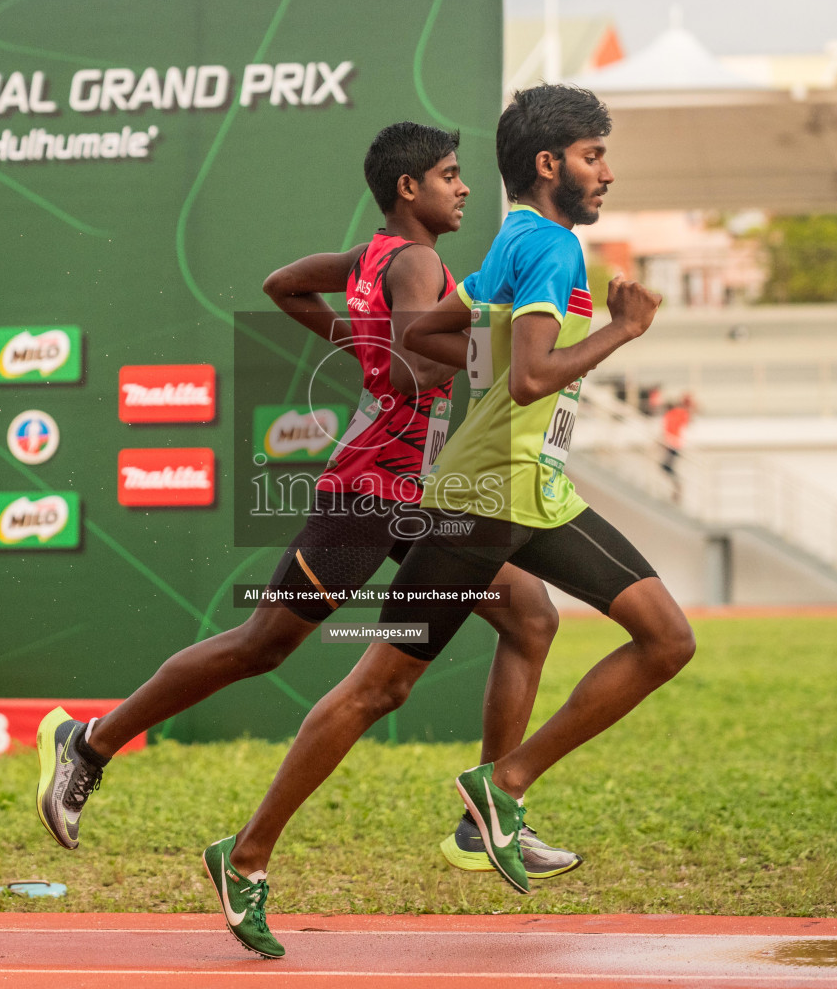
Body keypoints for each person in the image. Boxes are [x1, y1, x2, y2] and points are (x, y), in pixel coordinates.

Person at [35, 122, 579, 958]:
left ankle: (487, 817)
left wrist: (357, 341)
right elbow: (411, 368)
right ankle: (92, 742)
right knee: (264, 646)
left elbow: (284, 284)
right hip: (371, 494)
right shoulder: (420, 265)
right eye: (448, 176)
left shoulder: (373, 258)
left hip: (419, 497)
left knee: (528, 616)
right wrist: (474, 345)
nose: (464, 189)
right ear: (409, 191)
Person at [208, 85, 696, 952]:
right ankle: (246, 856)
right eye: (593, 157)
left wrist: (413, 357)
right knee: (379, 686)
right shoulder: (550, 250)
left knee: (664, 637)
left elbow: (430, 330)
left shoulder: (514, 240)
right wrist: (623, 331)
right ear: (549, 166)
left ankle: (501, 788)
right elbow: (532, 380)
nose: (606, 174)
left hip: (528, 493)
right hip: (480, 504)